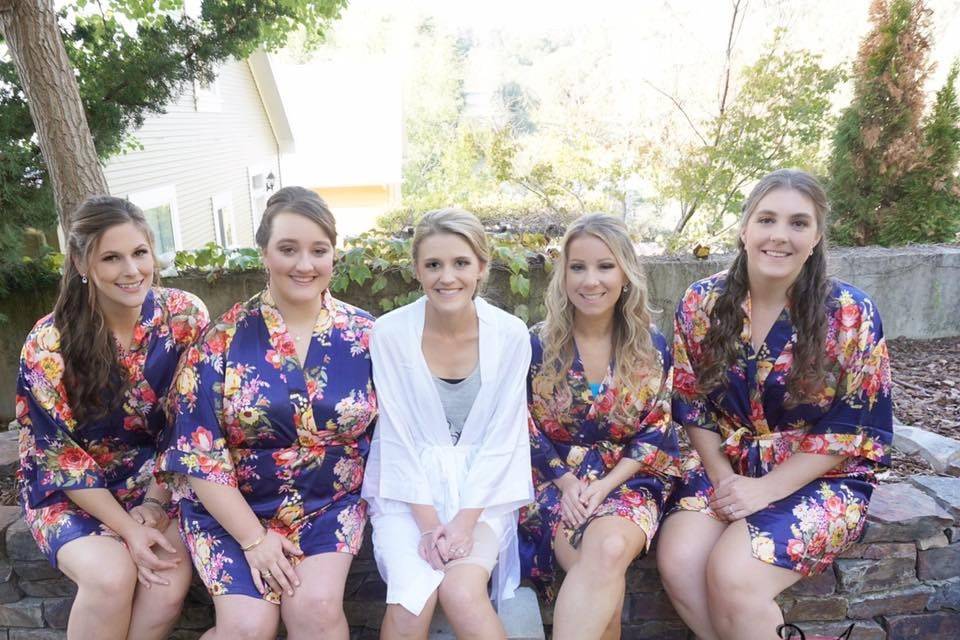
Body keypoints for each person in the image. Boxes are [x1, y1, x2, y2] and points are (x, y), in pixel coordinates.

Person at [657, 169, 893, 640]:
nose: (779, 236)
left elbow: (853, 428)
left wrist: (765, 491)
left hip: (824, 476)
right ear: (744, 229)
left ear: (816, 236)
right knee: (679, 559)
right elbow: (691, 400)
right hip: (730, 466)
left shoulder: (850, 312)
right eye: (766, 219)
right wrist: (726, 481)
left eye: (798, 223)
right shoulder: (701, 301)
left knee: (734, 574)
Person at [160, 187, 377, 640]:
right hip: (235, 509)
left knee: (315, 609)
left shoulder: (369, 335)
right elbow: (198, 454)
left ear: (334, 255)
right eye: (288, 249)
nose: (304, 264)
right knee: (246, 626)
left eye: (319, 250)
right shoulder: (220, 340)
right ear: (264, 253)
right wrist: (253, 541)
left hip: (328, 506)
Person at [16, 195, 208, 640]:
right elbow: (61, 459)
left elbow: (191, 423)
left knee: (166, 580)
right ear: (83, 263)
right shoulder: (48, 344)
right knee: (111, 576)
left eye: (139, 253)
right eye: (111, 257)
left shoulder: (185, 316)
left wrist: (156, 503)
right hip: (71, 491)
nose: (131, 270)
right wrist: (127, 529)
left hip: (161, 481)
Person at [362, 209, 534, 640]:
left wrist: (462, 523)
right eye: (433, 264)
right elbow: (396, 435)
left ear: (481, 267)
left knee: (460, 590)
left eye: (460, 263)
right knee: (412, 595)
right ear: (417, 270)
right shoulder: (389, 333)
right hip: (406, 493)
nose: (447, 277)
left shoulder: (511, 335)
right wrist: (427, 527)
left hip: (484, 492)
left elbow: (504, 438)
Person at [518, 213, 680, 640]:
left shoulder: (651, 347)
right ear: (563, 275)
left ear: (625, 273)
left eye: (605, 266)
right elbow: (521, 423)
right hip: (554, 483)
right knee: (600, 571)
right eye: (578, 267)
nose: (591, 280)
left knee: (607, 550)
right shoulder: (536, 344)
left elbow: (656, 428)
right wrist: (568, 483)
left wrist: (604, 486)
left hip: (627, 481)